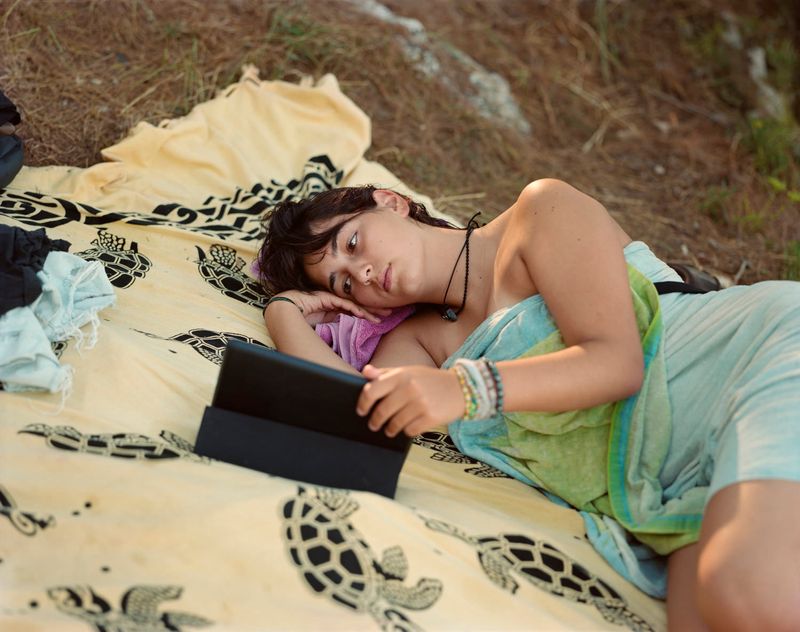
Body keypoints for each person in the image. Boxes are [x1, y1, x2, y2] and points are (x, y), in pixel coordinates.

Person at [257, 181, 800, 632]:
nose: (362, 274)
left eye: (353, 244)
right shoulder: (419, 343)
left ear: (391, 201)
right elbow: (353, 412)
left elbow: (616, 363)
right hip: (670, 477)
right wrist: (283, 313)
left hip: (749, 357)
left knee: (745, 596)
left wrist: (466, 390)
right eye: (343, 283)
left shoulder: (540, 212)